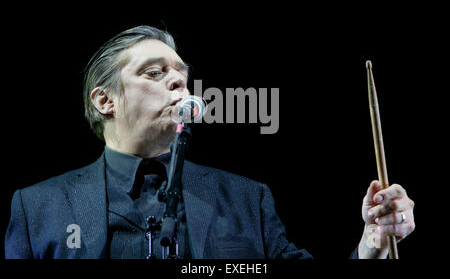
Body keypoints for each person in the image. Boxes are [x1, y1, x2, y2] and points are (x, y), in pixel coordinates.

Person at [4, 26, 415, 259]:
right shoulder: (37, 206)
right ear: (105, 100)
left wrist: (371, 244)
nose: (179, 80)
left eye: (181, 72)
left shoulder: (246, 199)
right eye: (153, 72)